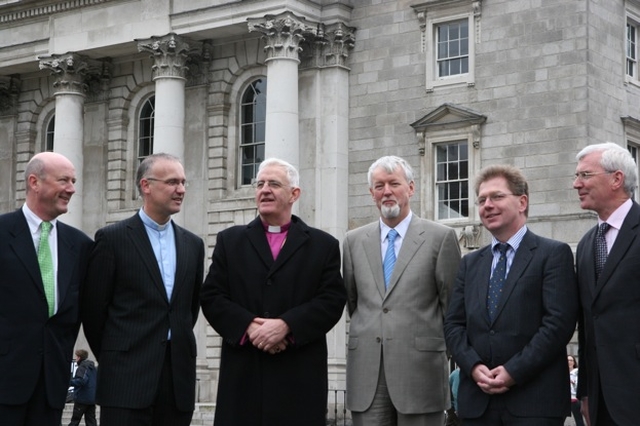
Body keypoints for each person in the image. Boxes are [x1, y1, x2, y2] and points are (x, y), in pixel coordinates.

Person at [200, 157, 346, 426]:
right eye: (260, 184)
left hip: (299, 377)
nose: (264, 189)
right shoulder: (230, 241)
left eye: (274, 184)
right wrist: (250, 328)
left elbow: (331, 301)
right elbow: (212, 296)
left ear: (294, 194)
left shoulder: (323, 245)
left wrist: (286, 326)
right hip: (244, 376)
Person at [444, 164, 578, 425]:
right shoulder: (470, 263)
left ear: (522, 202)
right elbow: (454, 325)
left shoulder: (552, 254)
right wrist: (472, 367)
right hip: (477, 403)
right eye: (482, 200)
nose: (487, 205)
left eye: (497, 196)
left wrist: (513, 371)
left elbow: (558, 324)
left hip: (534, 403)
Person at [82, 153, 205, 426]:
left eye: (184, 182)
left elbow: (188, 310)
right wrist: (118, 356)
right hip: (126, 383)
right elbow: (93, 312)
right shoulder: (112, 239)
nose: (181, 190)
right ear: (146, 185)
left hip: (177, 384)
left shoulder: (193, 244)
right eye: (172, 182)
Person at [343, 155, 461, 426]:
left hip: (421, 372)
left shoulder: (440, 237)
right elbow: (354, 301)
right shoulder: (352, 241)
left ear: (410, 188)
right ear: (371, 193)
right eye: (379, 185)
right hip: (367, 374)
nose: (386, 191)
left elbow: (452, 305)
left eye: (394, 183)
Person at [0, 152, 93, 426]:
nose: (72, 189)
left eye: (74, 181)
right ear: (34, 182)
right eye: (63, 180)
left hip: (51, 388)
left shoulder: (81, 246)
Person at [573, 142, 640, 425]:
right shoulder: (587, 243)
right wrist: (586, 392)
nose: (576, 184)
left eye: (585, 175)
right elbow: (589, 325)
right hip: (601, 402)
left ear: (617, 179)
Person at [68, 349, 97, 426]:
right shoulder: (93, 367)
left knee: (75, 421)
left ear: (79, 357)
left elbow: (81, 380)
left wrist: (69, 382)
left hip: (82, 399)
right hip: (92, 399)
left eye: (76, 357)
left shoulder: (83, 367)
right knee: (91, 421)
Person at [567, 355, 585, 426]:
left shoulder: (577, 372)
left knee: (578, 420)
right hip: (564, 400)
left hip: (574, 399)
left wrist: (573, 383)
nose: (569, 362)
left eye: (571, 360)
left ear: (574, 362)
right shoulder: (561, 373)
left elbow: (580, 386)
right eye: (567, 360)